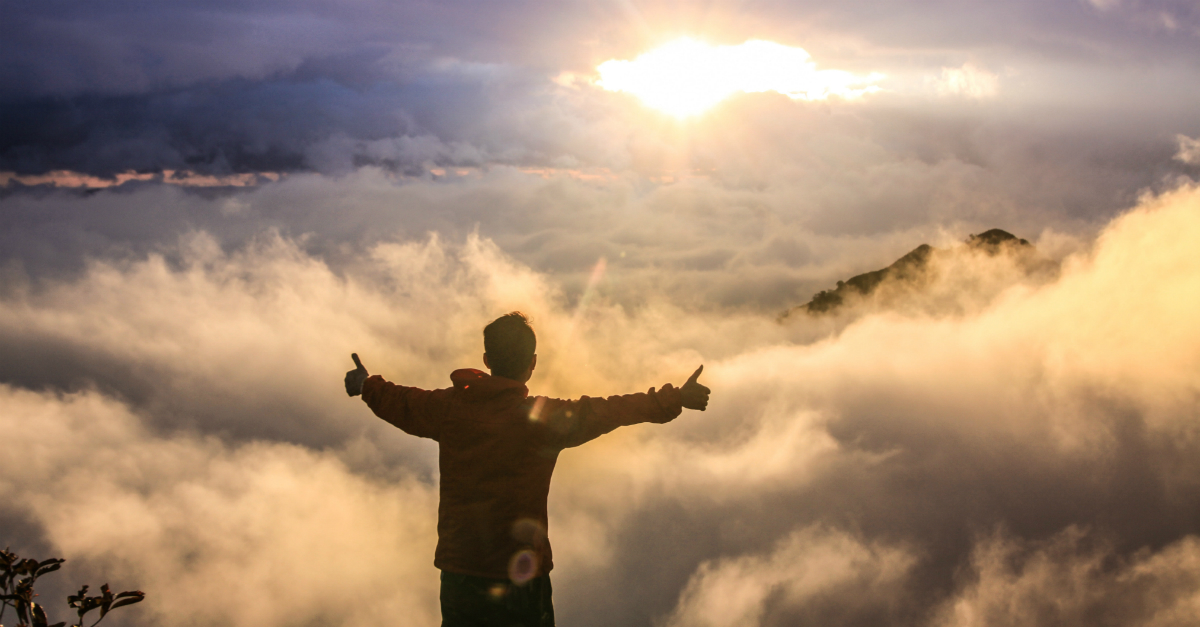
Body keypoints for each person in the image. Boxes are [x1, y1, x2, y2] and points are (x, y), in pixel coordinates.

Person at [344, 311, 710, 627]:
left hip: (461, 574)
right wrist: (674, 398)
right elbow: (606, 410)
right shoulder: (541, 420)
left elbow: (400, 401)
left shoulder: (449, 408)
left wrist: (365, 383)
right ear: (532, 363)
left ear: (487, 359)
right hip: (522, 577)